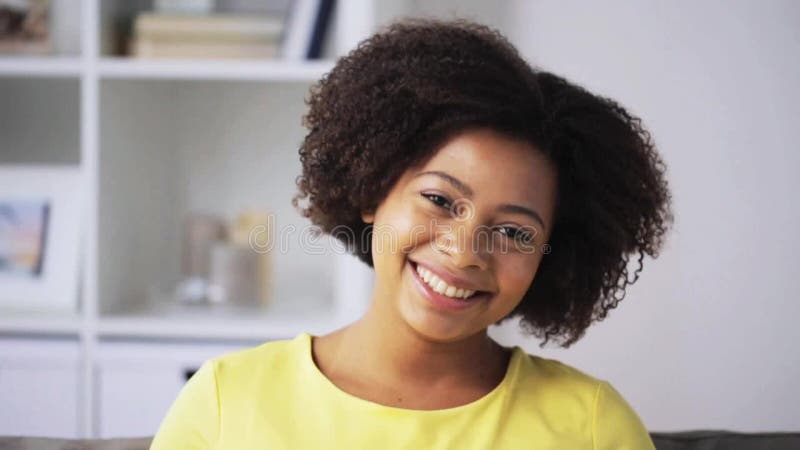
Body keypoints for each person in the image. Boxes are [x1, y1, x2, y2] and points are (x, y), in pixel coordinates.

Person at [151, 17, 673, 449]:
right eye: (441, 200)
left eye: (514, 231)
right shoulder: (224, 404)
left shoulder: (592, 429)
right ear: (372, 191)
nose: (465, 251)